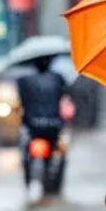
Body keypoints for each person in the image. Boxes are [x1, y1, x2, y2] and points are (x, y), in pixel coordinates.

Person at [15, 56, 70, 184]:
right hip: (53, 126)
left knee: (25, 150)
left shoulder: (23, 81)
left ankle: (28, 177)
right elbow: (64, 97)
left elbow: (22, 101)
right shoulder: (58, 78)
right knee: (57, 151)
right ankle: (51, 177)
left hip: (32, 126)